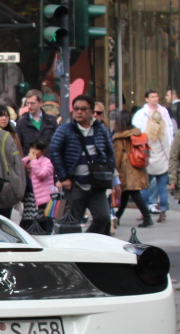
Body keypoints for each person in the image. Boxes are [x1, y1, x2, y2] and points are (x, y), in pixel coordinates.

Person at [49, 94, 115, 235]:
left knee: (103, 217)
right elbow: (54, 151)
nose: (79, 112)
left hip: (96, 184)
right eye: (76, 108)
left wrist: (108, 174)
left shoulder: (101, 129)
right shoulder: (65, 129)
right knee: (69, 223)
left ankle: (90, 242)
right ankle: (69, 252)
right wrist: (63, 177)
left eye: (83, 109)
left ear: (91, 111)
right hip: (74, 185)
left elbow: (110, 153)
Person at [133, 91, 175, 220]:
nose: (155, 98)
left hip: (149, 163)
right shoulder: (165, 134)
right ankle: (163, 211)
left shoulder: (146, 135)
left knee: (144, 187)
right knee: (162, 188)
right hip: (162, 163)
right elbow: (169, 144)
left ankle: (144, 211)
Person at [112, 108, 154, 229]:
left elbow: (117, 156)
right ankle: (118, 217)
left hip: (127, 169)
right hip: (137, 166)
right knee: (127, 193)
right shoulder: (137, 134)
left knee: (133, 192)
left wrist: (115, 171)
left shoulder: (120, 137)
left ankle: (147, 217)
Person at [25, 140, 56, 232]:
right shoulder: (27, 160)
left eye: (36, 149)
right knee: (28, 220)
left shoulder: (47, 162)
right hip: (31, 195)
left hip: (45, 198)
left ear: (43, 152)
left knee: (45, 222)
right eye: (32, 148)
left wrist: (34, 161)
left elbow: (42, 174)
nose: (33, 151)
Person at [16, 89, 58, 154]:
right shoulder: (21, 123)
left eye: (32, 103)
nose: (29, 106)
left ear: (40, 103)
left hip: (48, 162)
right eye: (28, 103)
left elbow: (57, 143)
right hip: (29, 162)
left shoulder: (51, 121)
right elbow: (18, 147)